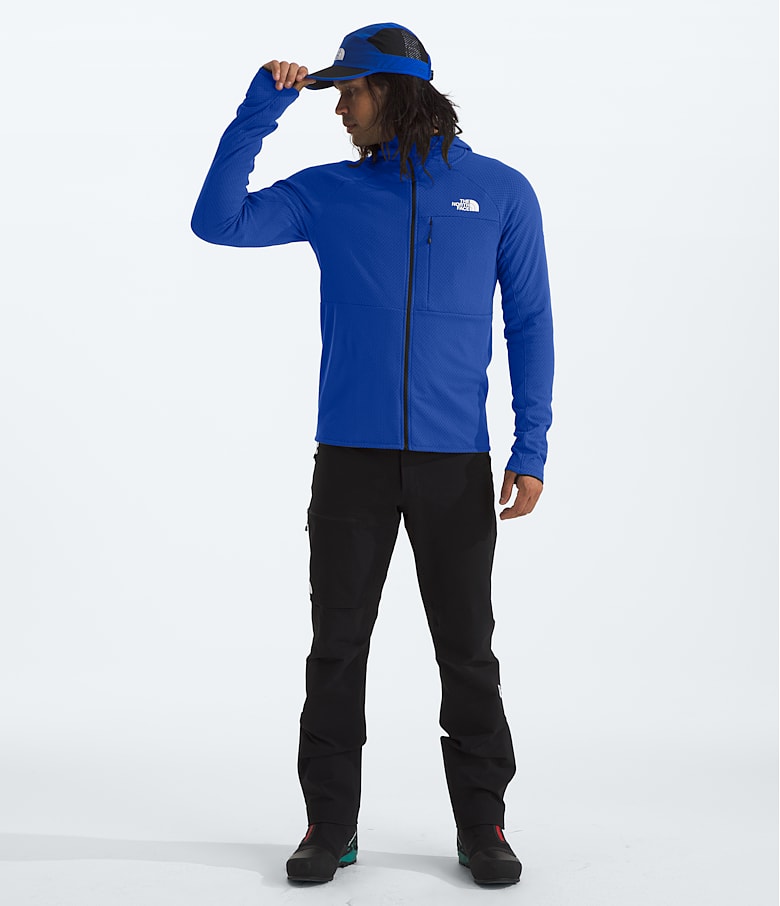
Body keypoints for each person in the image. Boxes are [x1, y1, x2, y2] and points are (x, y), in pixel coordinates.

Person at [191, 22, 554, 887]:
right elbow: (218, 222)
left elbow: (530, 320)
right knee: (336, 649)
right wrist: (260, 109)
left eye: (349, 91)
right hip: (350, 459)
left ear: (392, 91)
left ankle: (484, 824)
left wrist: (531, 443)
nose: (340, 107)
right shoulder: (329, 192)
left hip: (453, 463)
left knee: (467, 651)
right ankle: (330, 825)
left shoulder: (500, 192)